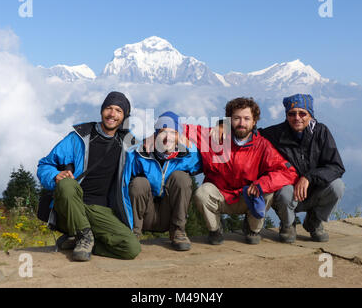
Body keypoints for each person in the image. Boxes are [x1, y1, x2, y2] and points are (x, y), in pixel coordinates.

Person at [37, 91, 141, 261]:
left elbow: (149, 167)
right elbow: (44, 164)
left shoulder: (129, 145)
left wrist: (165, 143)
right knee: (67, 184)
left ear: (124, 117)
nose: (112, 114)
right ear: (102, 110)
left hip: (101, 210)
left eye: (118, 110)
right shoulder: (79, 137)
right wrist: (55, 175)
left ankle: (80, 238)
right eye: (108, 108)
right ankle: (84, 236)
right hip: (71, 205)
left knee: (131, 248)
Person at [189, 97, 298, 245]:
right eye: (236, 118)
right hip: (221, 196)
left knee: (267, 190)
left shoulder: (262, 146)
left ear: (254, 122)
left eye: (247, 119)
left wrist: (262, 184)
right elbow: (181, 129)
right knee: (202, 193)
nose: (242, 123)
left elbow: (288, 172)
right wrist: (160, 134)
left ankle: (252, 229)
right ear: (229, 120)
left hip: (248, 196)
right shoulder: (213, 137)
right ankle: (215, 229)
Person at [260, 94, 345, 243]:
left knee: (337, 186)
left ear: (310, 115)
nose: (297, 118)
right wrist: (222, 126)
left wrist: (309, 177)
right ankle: (288, 224)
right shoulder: (275, 134)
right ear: (286, 115)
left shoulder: (321, 132)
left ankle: (314, 221)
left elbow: (336, 167)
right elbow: (247, 134)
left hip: (315, 190)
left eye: (302, 113)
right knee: (284, 191)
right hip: (289, 194)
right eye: (291, 114)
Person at [127, 111, 202, 251]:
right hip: (146, 214)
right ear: (155, 135)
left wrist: (187, 143)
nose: (167, 138)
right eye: (162, 132)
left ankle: (179, 232)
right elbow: (124, 164)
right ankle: (134, 232)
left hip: (170, 215)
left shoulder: (185, 156)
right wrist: (142, 143)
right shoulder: (142, 155)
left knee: (181, 178)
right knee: (139, 183)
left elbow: (203, 161)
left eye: (173, 133)